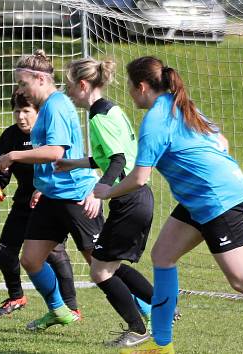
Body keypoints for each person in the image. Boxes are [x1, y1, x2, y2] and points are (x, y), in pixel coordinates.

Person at [94, 56, 243, 354]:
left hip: (216, 200)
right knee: (163, 255)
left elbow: (140, 179)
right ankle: (161, 345)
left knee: (242, 279)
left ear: (142, 86)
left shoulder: (156, 119)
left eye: (130, 87)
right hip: (204, 197)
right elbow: (221, 141)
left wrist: (107, 192)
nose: (130, 94)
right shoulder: (180, 104)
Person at [0, 50, 104, 331]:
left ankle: (149, 309)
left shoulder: (56, 106)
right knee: (31, 260)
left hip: (74, 196)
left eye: (22, 83)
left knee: (101, 266)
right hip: (51, 196)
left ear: (40, 79)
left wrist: (13, 156)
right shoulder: (49, 107)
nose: (20, 90)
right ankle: (59, 311)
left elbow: (55, 152)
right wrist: (41, 187)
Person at [54, 57, 157, 348]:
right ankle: (162, 305)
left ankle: (138, 328)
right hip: (137, 198)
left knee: (100, 271)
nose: (69, 93)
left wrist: (98, 190)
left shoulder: (99, 116)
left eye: (70, 87)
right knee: (107, 264)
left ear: (83, 85)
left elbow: (118, 160)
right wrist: (74, 163)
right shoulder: (112, 110)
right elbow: (112, 156)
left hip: (128, 199)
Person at [0, 90, 81, 318]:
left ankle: (71, 307)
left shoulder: (49, 136)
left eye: (27, 111)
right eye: (17, 111)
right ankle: (16, 297)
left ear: (39, 112)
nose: (21, 117)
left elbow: (62, 165)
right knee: (4, 252)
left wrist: (41, 190)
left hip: (53, 202)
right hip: (24, 204)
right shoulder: (10, 137)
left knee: (54, 253)